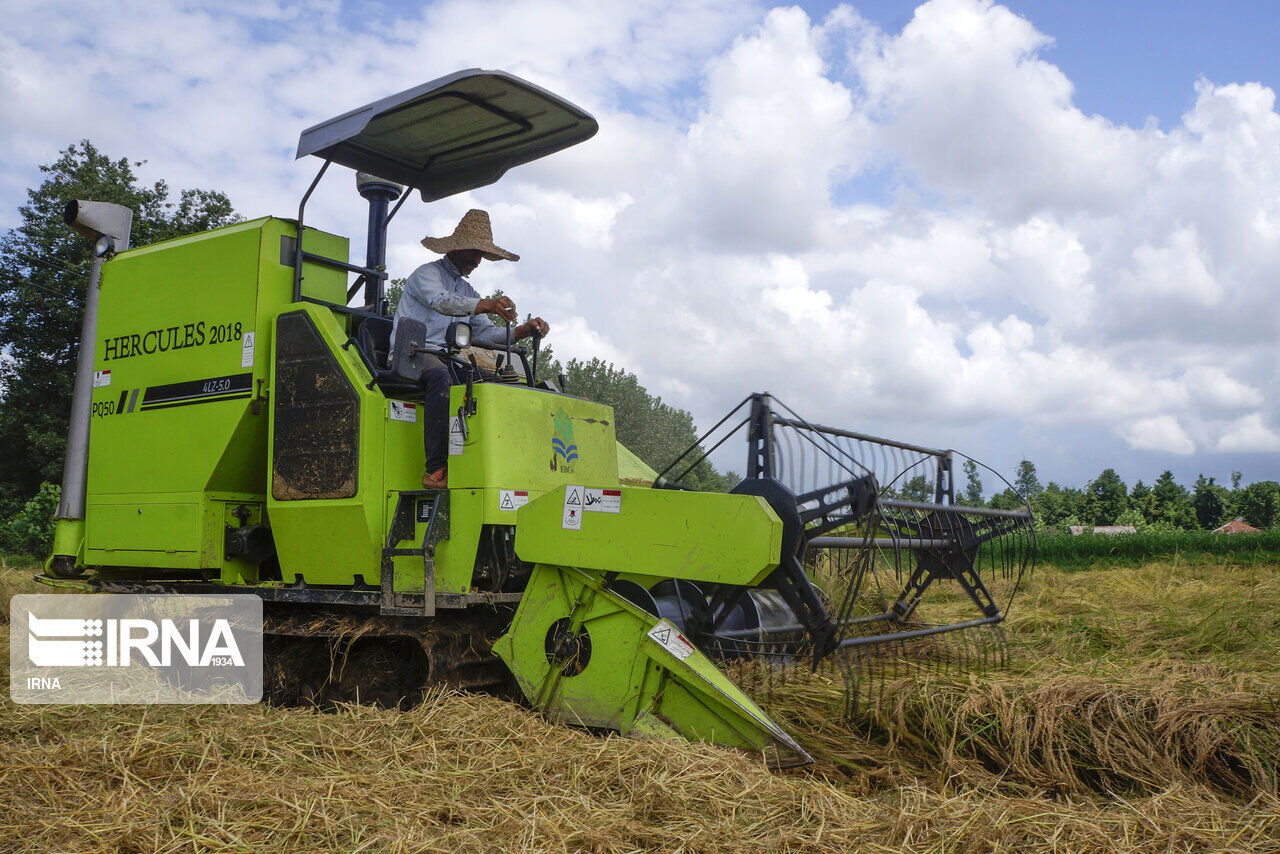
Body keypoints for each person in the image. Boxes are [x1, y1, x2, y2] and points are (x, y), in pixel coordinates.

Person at [391, 209, 550, 489]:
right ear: (457, 247)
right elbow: (440, 301)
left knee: (487, 383)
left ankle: (489, 460)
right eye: (474, 253)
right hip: (412, 353)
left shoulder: (468, 291)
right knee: (441, 376)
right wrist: (485, 304)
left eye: (481, 256)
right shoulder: (427, 275)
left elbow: (486, 333)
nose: (477, 262)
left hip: (443, 356)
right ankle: (436, 469)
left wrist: (524, 330)